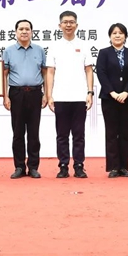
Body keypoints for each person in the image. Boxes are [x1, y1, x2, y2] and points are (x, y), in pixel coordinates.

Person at [46, 11, 95, 179]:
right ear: (60, 25)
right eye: (65, 22)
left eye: (72, 22)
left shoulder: (84, 45)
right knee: (62, 135)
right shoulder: (54, 46)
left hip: (79, 97)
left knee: (79, 134)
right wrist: (50, 95)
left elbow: (89, 70)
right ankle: (63, 165)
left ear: (77, 25)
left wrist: (90, 92)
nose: (68, 25)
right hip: (60, 97)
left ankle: (79, 166)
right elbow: (50, 72)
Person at [2, 19, 47, 179]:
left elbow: (45, 73)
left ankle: (33, 167)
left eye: (27, 29)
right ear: (15, 32)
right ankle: (19, 167)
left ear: (32, 32)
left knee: (34, 133)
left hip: (35, 93)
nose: (24, 32)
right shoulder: (9, 51)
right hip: (17, 94)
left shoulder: (39, 50)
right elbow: (4, 75)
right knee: (18, 133)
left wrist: (46, 94)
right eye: (21, 29)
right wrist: (5, 96)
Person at [96, 23, 128, 178]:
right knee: (112, 133)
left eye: (121, 33)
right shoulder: (104, 53)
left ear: (125, 36)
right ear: (110, 36)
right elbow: (101, 73)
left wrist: (126, 91)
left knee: (125, 133)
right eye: (114, 33)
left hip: (127, 99)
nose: (118, 35)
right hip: (109, 99)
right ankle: (113, 167)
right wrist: (112, 92)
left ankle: (123, 167)